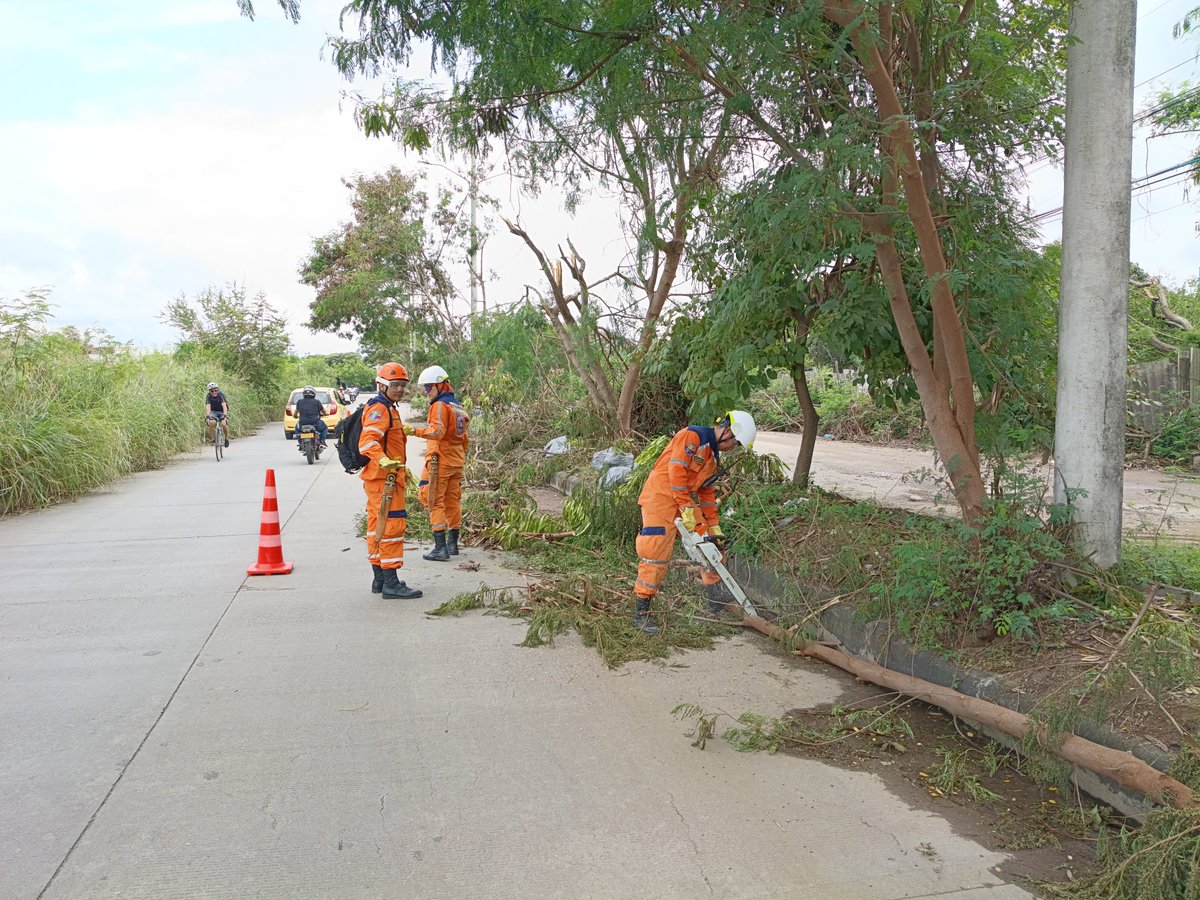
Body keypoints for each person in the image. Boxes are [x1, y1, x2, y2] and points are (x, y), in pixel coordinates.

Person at [631, 410, 757, 634]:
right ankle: (642, 610)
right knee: (656, 551)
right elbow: (676, 471)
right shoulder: (692, 437)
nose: (732, 449)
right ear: (727, 432)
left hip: (683, 502)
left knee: (712, 543)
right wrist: (685, 506)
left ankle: (714, 596)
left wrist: (713, 525)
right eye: (735, 444)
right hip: (660, 499)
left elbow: (707, 494)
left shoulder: (711, 456)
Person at [358, 363, 422, 600]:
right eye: (394, 385)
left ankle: (380, 578)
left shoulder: (388, 407)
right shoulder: (380, 409)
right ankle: (391, 583)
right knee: (391, 527)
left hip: (383, 479)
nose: (399, 390)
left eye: (403, 385)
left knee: (378, 526)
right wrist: (383, 460)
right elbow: (367, 441)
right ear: (382, 385)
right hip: (385, 479)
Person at [409, 365, 471, 561]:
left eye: (428, 388)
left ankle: (440, 548)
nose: (426, 393)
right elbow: (465, 439)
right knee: (453, 501)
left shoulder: (439, 406)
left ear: (439, 385)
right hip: (456, 461)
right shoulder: (457, 406)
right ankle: (452, 545)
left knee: (433, 499)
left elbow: (437, 432)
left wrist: (412, 431)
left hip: (439, 462)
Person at [204, 382, 230, 448]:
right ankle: (213, 439)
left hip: (221, 411)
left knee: (224, 424)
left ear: (217, 390)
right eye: (212, 391)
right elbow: (208, 406)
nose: (214, 392)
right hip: (213, 412)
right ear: (209, 391)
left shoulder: (220, 395)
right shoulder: (208, 396)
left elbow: (224, 406)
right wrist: (208, 416)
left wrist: (225, 415)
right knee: (211, 423)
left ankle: (226, 439)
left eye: (216, 390)